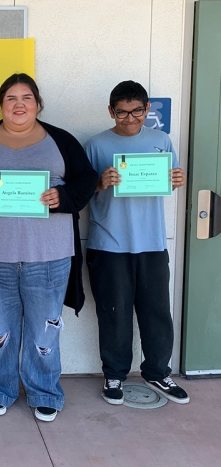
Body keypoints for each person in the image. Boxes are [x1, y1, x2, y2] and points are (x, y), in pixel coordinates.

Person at [0, 73, 97, 422]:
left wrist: (62, 197)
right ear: (1, 105)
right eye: (11, 98)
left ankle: (45, 391)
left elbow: (87, 180)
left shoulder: (60, 140)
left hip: (49, 256)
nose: (19, 104)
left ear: (38, 103)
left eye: (26, 97)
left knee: (44, 331)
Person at [84, 80, 189, 405]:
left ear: (147, 109)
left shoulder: (161, 141)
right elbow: (80, 192)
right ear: (111, 111)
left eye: (137, 111)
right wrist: (100, 182)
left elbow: (168, 181)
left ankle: (158, 372)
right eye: (122, 112)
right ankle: (114, 375)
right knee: (113, 313)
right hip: (108, 243)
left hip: (153, 243)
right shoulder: (96, 144)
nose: (130, 119)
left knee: (157, 311)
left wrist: (178, 179)